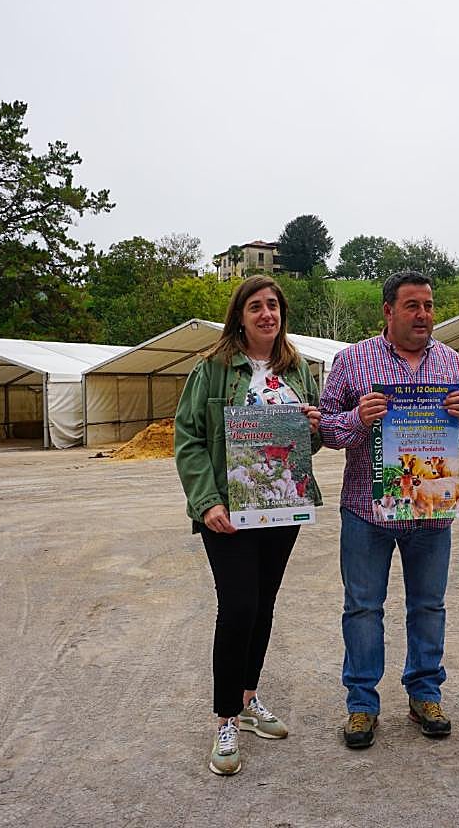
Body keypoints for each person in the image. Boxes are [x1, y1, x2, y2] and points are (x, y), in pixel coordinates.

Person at [319, 270, 459, 748]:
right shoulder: (352, 361)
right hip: (367, 511)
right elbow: (326, 430)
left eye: (429, 306)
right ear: (388, 311)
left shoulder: (453, 363)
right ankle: (361, 705)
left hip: (431, 511)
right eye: (412, 306)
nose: (424, 315)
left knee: (429, 606)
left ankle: (425, 693)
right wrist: (357, 418)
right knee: (363, 608)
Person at [174, 275, 324, 776]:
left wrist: (313, 427)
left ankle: (249, 697)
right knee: (237, 607)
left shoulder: (298, 368)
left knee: (262, 607)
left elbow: (308, 445)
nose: (267, 314)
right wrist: (206, 501)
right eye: (256, 306)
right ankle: (225, 719)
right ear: (240, 314)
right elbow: (189, 439)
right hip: (231, 511)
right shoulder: (213, 369)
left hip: (282, 507)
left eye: (274, 306)